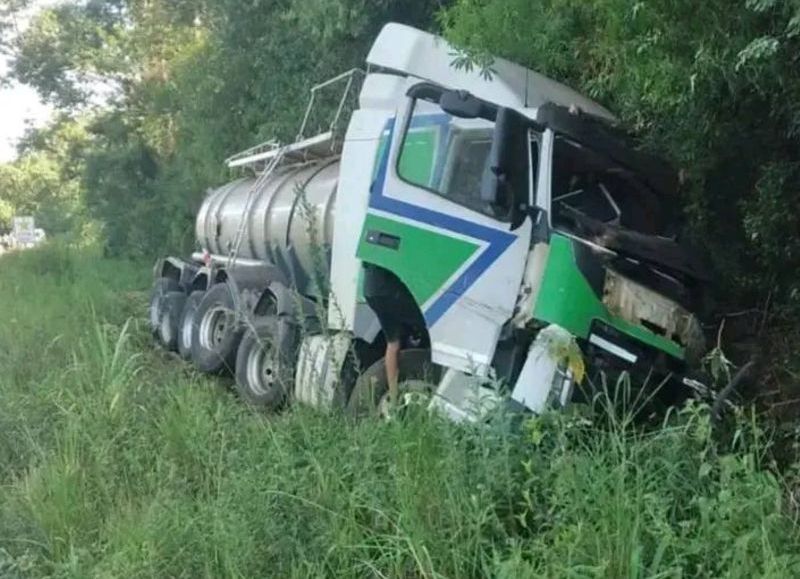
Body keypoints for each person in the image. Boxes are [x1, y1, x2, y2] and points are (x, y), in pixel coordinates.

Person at [362, 262, 426, 404]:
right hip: (387, 287)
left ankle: (393, 396)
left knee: (392, 343)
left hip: (370, 290)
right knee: (428, 321)